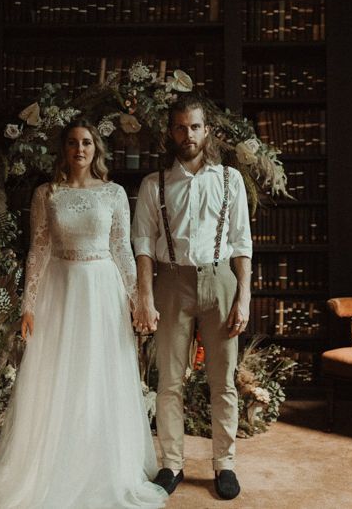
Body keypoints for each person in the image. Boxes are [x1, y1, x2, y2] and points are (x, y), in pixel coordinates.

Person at [0, 118, 167, 509]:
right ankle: (52, 462)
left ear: (97, 149)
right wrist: (28, 305)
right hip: (61, 288)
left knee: (101, 373)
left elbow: (122, 249)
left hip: (102, 289)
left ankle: (103, 463)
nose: (80, 149)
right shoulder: (47, 194)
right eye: (72, 142)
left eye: (87, 142)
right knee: (59, 373)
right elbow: (37, 250)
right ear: (64, 149)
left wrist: (136, 299)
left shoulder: (114, 194)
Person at [131, 96, 252, 501]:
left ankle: (225, 464)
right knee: (169, 381)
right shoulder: (154, 184)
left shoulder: (231, 181)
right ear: (171, 132)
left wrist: (244, 297)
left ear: (208, 131)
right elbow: (143, 244)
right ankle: (171, 464)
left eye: (195, 127)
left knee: (224, 382)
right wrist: (145, 296)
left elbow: (241, 244)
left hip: (221, 282)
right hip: (171, 282)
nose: (188, 135)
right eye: (180, 127)